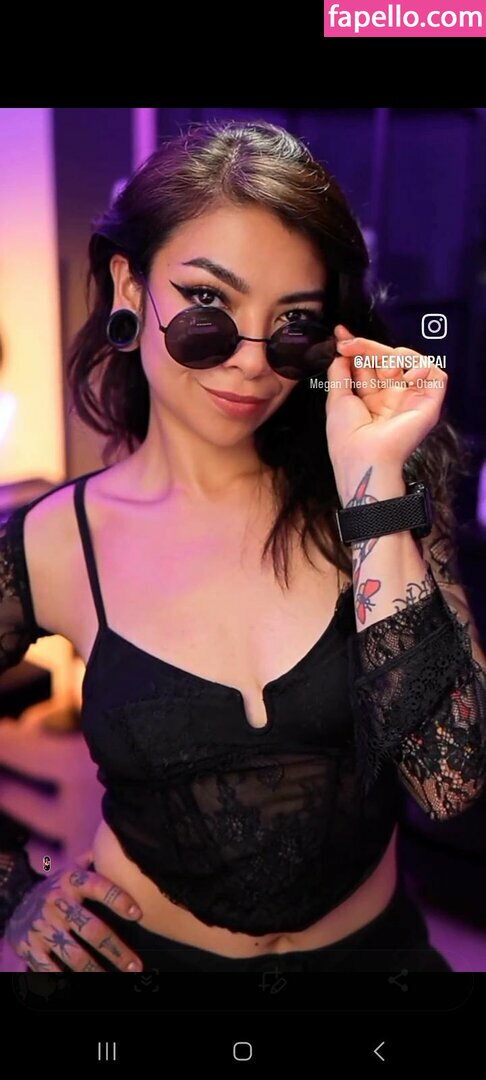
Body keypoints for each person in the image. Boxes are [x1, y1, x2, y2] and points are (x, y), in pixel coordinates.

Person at [1, 119, 485, 974]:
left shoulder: (373, 498)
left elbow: (448, 783)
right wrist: (16, 889)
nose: (253, 364)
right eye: (209, 304)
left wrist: (372, 478)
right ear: (129, 284)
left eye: (294, 321)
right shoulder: (50, 540)